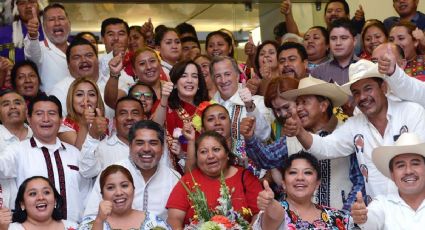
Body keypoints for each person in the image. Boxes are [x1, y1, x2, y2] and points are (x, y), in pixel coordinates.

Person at [283, 59, 425, 200]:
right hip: (380, 215)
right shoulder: (354, 125)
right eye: (356, 93)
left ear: (383, 88)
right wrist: (300, 132)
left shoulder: (412, 112)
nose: (362, 97)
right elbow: (326, 147)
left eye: (368, 88)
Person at [243, 76, 364, 211]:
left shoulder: (347, 132)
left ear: (323, 106)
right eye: (298, 103)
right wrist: (250, 138)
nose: (298, 108)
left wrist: (345, 216)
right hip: (300, 221)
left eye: (305, 102)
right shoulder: (293, 135)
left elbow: (359, 181)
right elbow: (266, 159)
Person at [0, 94, 90, 222]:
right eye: (39, 114)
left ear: (60, 119)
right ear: (29, 119)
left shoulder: (75, 153)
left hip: (73, 226)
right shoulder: (17, 151)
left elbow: (86, 195)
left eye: (52, 113)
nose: (46, 119)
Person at [83, 120, 179, 221]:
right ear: (130, 146)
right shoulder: (110, 174)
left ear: (163, 148)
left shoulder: (173, 178)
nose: (146, 149)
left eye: (153, 143)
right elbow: (90, 219)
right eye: (140, 143)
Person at [166, 131, 262, 228]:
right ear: (197, 157)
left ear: (227, 153)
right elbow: (174, 219)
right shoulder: (188, 181)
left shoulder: (245, 178)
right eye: (203, 152)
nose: (210, 156)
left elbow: (260, 215)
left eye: (216, 150)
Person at [253, 151, 354, 230]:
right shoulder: (276, 212)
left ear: (317, 183)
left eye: (307, 172)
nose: (300, 177)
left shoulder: (337, 217)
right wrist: (270, 203)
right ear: (283, 183)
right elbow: (274, 214)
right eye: (293, 172)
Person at [211, 56, 273, 177]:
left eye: (227, 74)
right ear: (213, 79)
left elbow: (264, 136)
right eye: (218, 76)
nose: (223, 80)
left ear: (237, 75)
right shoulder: (208, 108)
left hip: (256, 177)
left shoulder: (258, 101)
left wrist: (250, 105)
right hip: (221, 177)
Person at [351, 132, 425, 229]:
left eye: (415, 163)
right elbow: (369, 221)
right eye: (401, 165)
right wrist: (361, 218)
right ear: (392, 174)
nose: (408, 171)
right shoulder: (382, 205)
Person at [152, 60, 208, 174]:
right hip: (169, 173)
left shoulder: (208, 108)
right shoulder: (164, 104)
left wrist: (183, 155)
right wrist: (164, 98)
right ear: (175, 83)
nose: (189, 80)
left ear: (199, 84)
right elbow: (154, 127)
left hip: (204, 170)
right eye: (184, 76)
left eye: (194, 76)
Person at [79, 165, 171, 230]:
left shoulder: (154, 223)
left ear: (133, 189)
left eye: (124, 186)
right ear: (102, 194)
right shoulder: (89, 224)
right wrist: (99, 221)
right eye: (110, 188)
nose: (119, 193)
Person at [78, 96, 144, 179]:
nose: (129, 118)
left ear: (144, 118)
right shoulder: (102, 148)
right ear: (115, 121)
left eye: (135, 113)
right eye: (123, 113)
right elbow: (86, 172)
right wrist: (93, 135)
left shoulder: (154, 146)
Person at [24, 3, 72, 93]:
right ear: (44, 27)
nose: (57, 23)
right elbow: (32, 52)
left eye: (61, 18)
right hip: (50, 106)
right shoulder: (40, 49)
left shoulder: (76, 50)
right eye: (51, 20)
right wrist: (33, 35)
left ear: (69, 23)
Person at [2, 176, 77, 230]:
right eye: (33, 194)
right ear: (22, 204)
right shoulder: (8, 228)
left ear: (55, 200)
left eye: (46, 192)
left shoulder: (75, 227)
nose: (41, 197)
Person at [0, 90, 32, 209]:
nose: (13, 107)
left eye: (17, 103)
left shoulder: (40, 135)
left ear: (26, 110)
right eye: (6, 104)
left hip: (38, 208)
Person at [58, 77, 108, 150]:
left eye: (91, 94)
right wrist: (84, 124)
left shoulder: (107, 123)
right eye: (79, 94)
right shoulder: (63, 125)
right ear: (71, 99)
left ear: (97, 99)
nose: (86, 99)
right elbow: (78, 154)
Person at [311, 18, 359, 85]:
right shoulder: (318, 72)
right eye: (333, 38)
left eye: (344, 38)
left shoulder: (367, 68)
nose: (338, 43)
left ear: (354, 41)